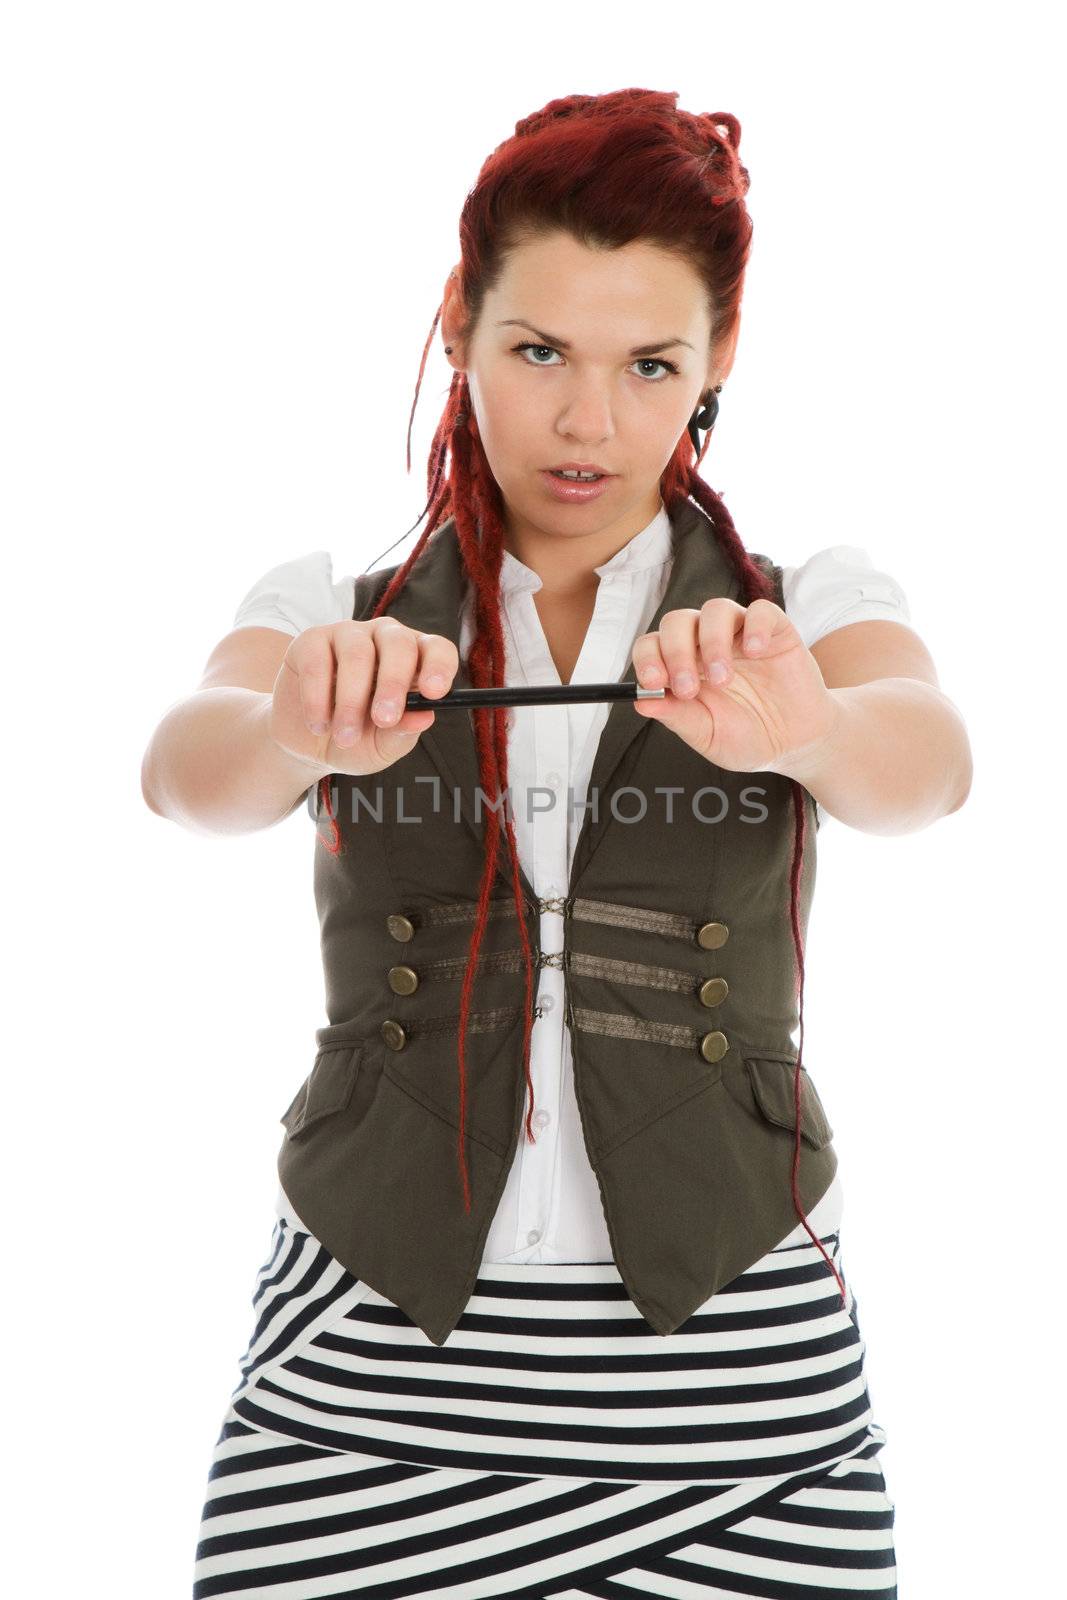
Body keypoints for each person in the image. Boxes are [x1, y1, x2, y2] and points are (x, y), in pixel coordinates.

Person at [143, 88, 971, 1598]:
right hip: (360, 1356)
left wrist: (809, 732)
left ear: (718, 360)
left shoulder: (807, 595)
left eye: (650, 364)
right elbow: (185, 775)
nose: (589, 423)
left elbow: (927, 768)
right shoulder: (332, 602)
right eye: (538, 352)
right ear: (459, 321)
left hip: (742, 1365)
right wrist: (291, 735)